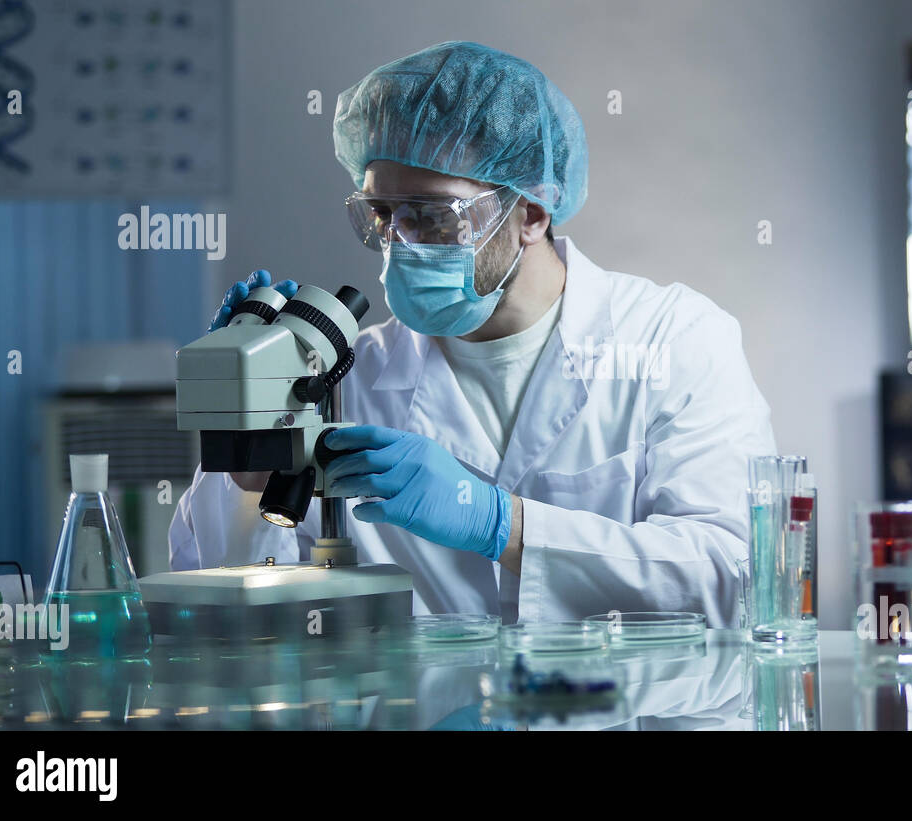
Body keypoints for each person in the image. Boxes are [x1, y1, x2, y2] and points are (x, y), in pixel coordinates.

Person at [168, 41, 774, 626]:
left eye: (431, 215)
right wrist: (245, 465)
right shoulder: (348, 375)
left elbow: (734, 579)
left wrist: (500, 524)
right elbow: (221, 605)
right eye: (382, 215)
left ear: (532, 213)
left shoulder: (675, 341)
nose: (399, 242)